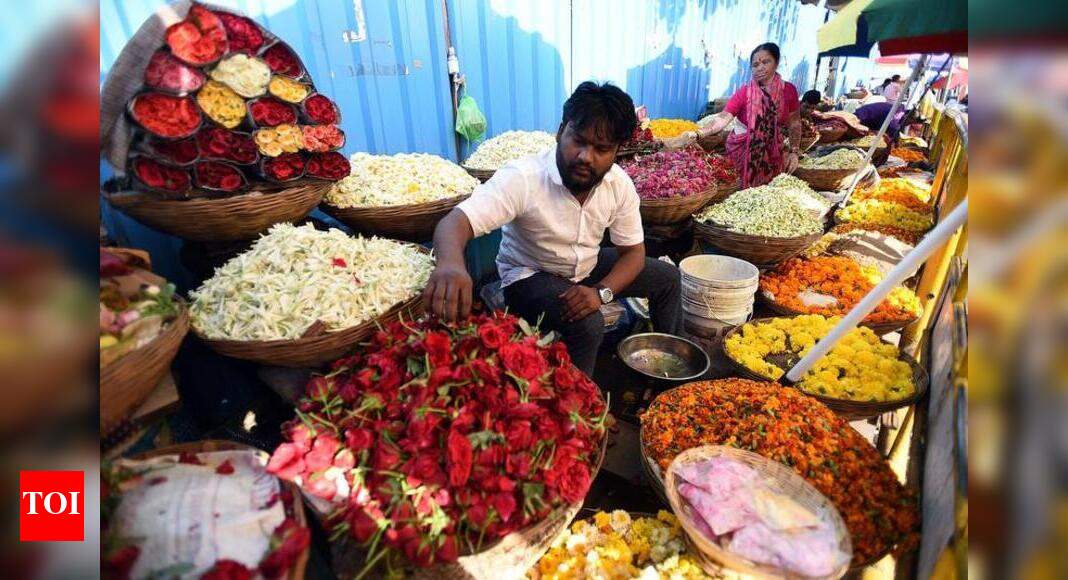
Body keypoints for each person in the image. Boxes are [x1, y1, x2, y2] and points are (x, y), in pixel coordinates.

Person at [423, 81, 683, 378]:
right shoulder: (524, 177)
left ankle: (673, 367)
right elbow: (455, 222)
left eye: (601, 149)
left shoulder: (618, 184)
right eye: (578, 141)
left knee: (668, 279)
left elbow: (634, 254)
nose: (586, 156)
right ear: (561, 131)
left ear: (616, 152)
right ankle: (577, 405)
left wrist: (601, 292)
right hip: (529, 275)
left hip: (586, 264)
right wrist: (451, 265)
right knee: (588, 323)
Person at [693, 43, 803, 188]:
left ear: (776, 63)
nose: (760, 67)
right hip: (742, 151)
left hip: (773, 152)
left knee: (768, 194)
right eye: (755, 64)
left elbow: (794, 122)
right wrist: (699, 133)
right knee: (740, 192)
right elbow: (723, 118)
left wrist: (794, 151)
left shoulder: (788, 90)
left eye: (766, 62)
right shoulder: (745, 92)